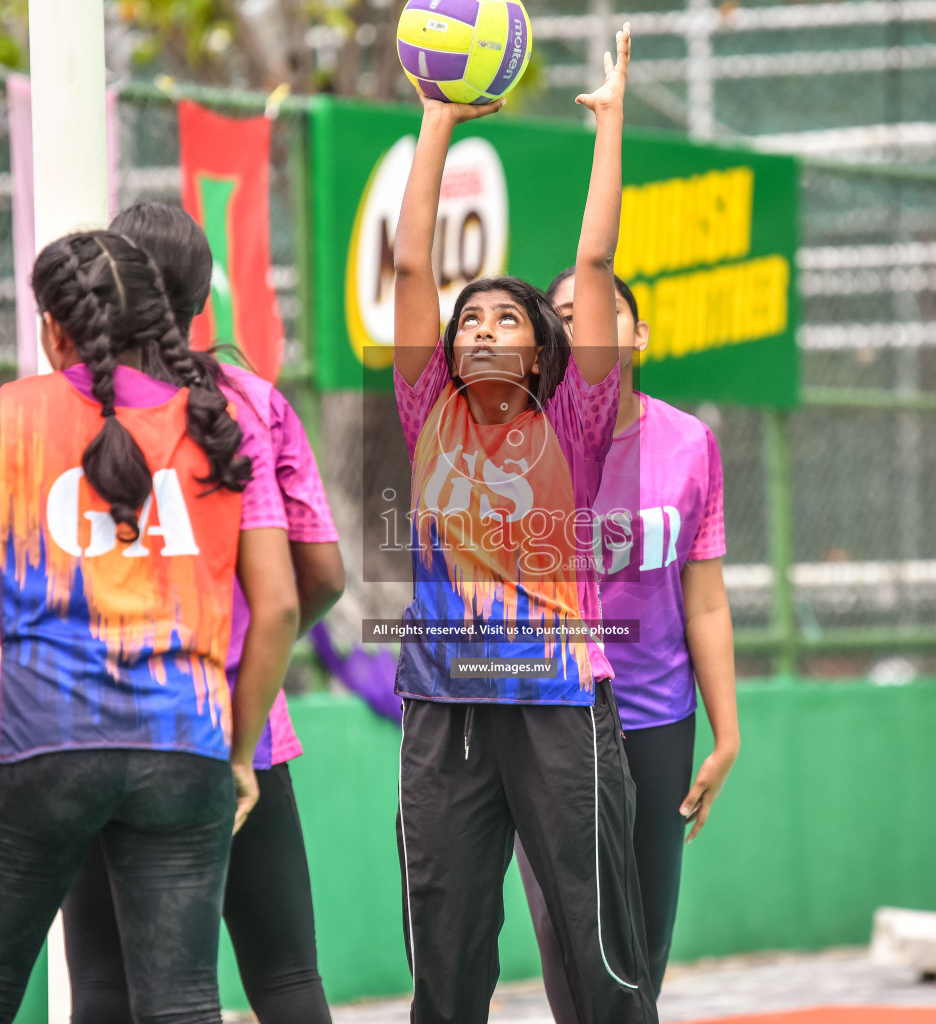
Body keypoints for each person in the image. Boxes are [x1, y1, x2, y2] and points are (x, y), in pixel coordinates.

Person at [0, 229, 299, 1024]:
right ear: (161, 316)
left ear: (54, 328)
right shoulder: (222, 421)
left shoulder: (4, 416)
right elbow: (283, 605)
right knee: (182, 1002)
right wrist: (241, 747)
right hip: (184, 746)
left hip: (35, 746)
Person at [391, 25, 658, 1024]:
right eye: (471, 321)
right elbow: (412, 266)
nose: (483, 328)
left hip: (557, 703)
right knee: (446, 950)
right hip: (445, 709)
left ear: (544, 352)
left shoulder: (577, 424)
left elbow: (594, 257)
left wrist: (611, 126)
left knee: (597, 946)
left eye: (508, 319)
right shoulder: (429, 415)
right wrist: (436, 122)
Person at [59, 203, 344, 1024]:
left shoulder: (60, 408)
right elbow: (318, 575)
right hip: (233, 725)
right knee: (285, 973)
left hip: (93, 723)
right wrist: (260, 635)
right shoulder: (250, 405)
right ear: (201, 295)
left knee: (106, 984)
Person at [514, 268, 740, 1021]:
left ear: (637, 333)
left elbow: (703, 599)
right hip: (554, 718)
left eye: (600, 314)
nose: (583, 330)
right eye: (565, 317)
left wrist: (726, 731)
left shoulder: (689, 443)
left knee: (642, 948)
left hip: (657, 723)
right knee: (570, 944)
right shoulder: (519, 446)